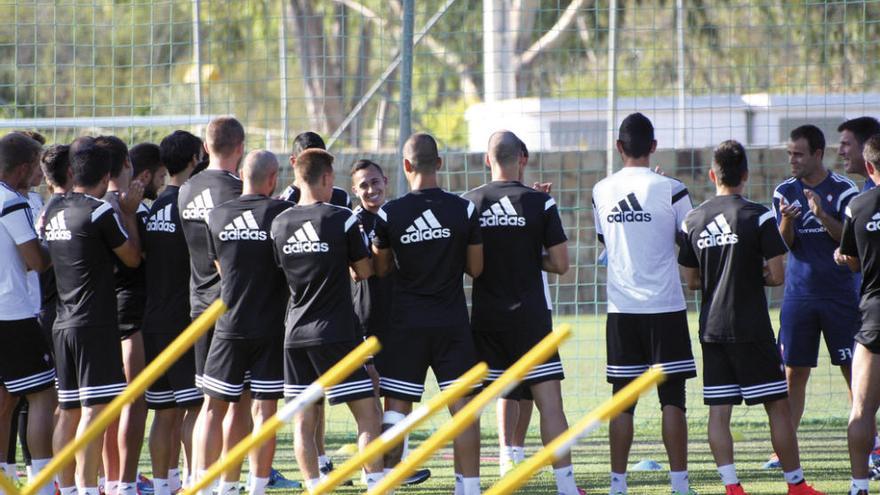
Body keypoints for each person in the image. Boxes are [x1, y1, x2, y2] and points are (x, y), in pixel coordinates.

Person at [679, 140, 824, 495]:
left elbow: (692, 281)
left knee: (719, 412)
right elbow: (776, 275)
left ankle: (732, 487)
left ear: (713, 174)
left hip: (712, 330)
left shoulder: (692, 220)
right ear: (745, 174)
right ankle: (796, 485)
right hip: (751, 327)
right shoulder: (758, 215)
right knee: (777, 406)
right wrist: (748, 272)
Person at [463, 130, 582, 495]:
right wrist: (531, 255)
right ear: (522, 159)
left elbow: (470, 266)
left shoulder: (470, 203)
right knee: (550, 405)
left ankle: (468, 486)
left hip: (487, 319)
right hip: (531, 319)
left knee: (470, 409)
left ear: (487, 159)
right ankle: (565, 486)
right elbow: (561, 265)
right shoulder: (539, 203)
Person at [371, 133, 483, 495]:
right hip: (452, 322)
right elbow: (476, 269)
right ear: (439, 163)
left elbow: (381, 267)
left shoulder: (390, 213)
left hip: (406, 324)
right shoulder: (463, 209)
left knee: (396, 410)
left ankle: (384, 484)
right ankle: (469, 488)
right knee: (463, 410)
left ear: (405, 166)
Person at [591, 113, 696, 495]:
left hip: (622, 310)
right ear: (653, 146)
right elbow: (688, 242)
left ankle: (618, 485)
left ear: (619, 147)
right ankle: (679, 485)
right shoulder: (672, 189)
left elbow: (607, 242)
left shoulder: (601, 190)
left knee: (622, 400)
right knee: (674, 399)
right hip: (666, 307)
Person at [271, 148, 384, 492]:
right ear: (325, 178)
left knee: (303, 423)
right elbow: (364, 271)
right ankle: (377, 483)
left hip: (294, 334)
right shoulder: (341, 218)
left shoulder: (279, 223)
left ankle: (313, 485)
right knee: (368, 415)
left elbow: (280, 271)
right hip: (335, 332)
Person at [43, 136, 143, 495]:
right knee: (94, 412)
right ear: (106, 177)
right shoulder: (98, 211)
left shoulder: (52, 209)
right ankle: (87, 488)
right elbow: (131, 257)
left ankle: (66, 488)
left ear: (71, 171)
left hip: (62, 323)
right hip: (94, 325)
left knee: (67, 411)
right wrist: (128, 212)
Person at [200, 150, 290, 495]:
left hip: (228, 323)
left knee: (213, 408)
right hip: (270, 325)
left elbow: (221, 268)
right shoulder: (283, 214)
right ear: (273, 178)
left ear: (241, 175)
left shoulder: (218, 215)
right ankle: (256, 488)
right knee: (264, 409)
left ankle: (210, 486)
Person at [771, 125, 860, 466]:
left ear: (818, 154)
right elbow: (783, 245)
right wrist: (786, 222)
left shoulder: (843, 191)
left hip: (840, 296)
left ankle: (869, 438)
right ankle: (785, 450)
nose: (792, 160)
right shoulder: (784, 191)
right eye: (789, 153)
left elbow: (849, 241)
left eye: (798, 154)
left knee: (853, 370)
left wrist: (822, 215)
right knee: (794, 374)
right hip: (799, 297)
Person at [177, 117, 251, 488]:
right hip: (234, 308)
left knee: (209, 403)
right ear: (241, 147)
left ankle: (199, 479)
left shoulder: (186, 189)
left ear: (206, 148)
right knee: (241, 402)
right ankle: (230, 481)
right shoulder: (239, 191)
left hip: (198, 305)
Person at [349, 159, 431, 486]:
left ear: (385, 179)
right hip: (365, 321)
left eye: (375, 181)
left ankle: (397, 463)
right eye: (364, 185)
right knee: (370, 400)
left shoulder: (396, 215)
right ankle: (372, 468)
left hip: (399, 319)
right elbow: (357, 269)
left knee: (399, 397)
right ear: (355, 190)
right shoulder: (352, 222)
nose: (371, 189)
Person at [142, 131, 203, 495]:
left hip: (153, 321)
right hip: (184, 320)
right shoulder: (192, 206)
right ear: (196, 159)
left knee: (164, 412)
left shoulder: (151, 209)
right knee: (194, 408)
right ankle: (196, 482)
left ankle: (165, 485)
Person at [0, 132, 56, 495]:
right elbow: (34, 260)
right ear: (22, 169)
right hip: (14, 312)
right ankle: (44, 480)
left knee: (4, 398)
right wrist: (56, 247)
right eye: (36, 165)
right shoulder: (11, 202)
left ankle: (5, 481)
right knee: (42, 395)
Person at [95, 135, 150, 495]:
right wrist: (131, 213)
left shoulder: (90, 204)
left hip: (99, 310)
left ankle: (107, 478)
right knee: (133, 398)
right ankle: (125, 481)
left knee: (107, 399)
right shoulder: (132, 207)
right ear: (127, 164)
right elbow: (137, 256)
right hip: (129, 308)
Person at [839, 134, 880, 495]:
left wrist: (844, 258)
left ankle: (859, 486)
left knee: (862, 408)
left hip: (874, 316)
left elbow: (852, 260)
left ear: (869, 167)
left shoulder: (858, 205)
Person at [279, 132, 352, 209]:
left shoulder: (341, 198)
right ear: (293, 162)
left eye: (320, 161)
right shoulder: (285, 203)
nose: (314, 167)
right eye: (308, 162)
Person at [838, 117, 880, 191]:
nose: (840, 152)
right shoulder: (870, 186)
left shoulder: (874, 192)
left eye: (846, 144)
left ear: (867, 146)